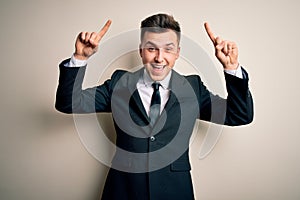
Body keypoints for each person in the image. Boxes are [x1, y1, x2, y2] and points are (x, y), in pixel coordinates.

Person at [55, 13, 253, 200]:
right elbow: (69, 103)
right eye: (152, 49)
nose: (159, 57)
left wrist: (231, 68)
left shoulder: (193, 88)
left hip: (175, 190)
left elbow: (240, 115)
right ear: (141, 50)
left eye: (168, 49)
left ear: (177, 53)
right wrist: (80, 58)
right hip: (124, 190)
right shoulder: (118, 83)